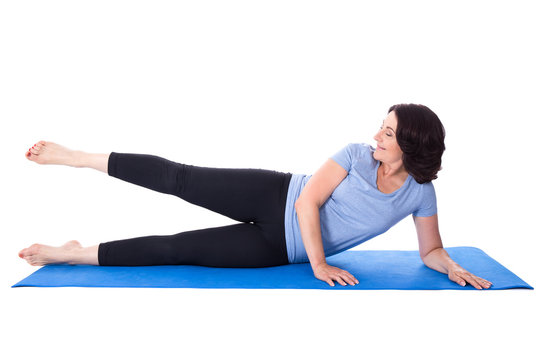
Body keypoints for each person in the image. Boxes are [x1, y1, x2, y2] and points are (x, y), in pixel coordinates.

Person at [18, 103, 492, 289]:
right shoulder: (354, 154)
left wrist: (451, 266)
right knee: (181, 178)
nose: (376, 136)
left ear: (412, 146)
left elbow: (429, 249)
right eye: (381, 126)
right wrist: (320, 264)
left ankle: (75, 254)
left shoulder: (420, 195)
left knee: (178, 248)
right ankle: (77, 157)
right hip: (275, 195)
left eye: (388, 133)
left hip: (275, 249)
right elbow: (309, 203)